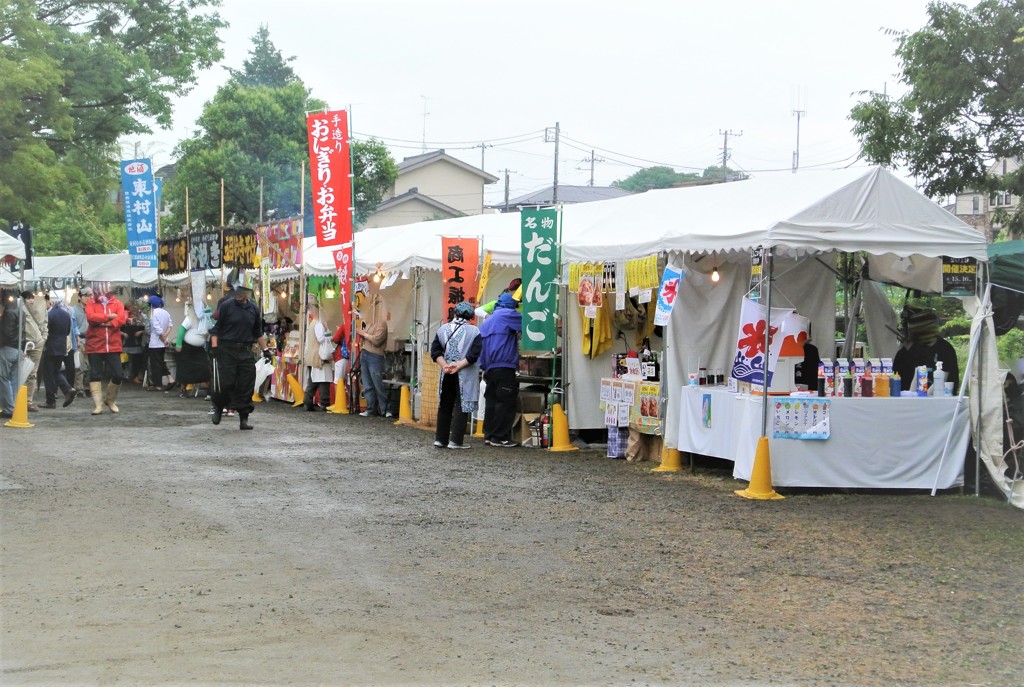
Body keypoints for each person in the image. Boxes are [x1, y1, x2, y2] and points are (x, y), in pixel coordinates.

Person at [208, 275, 269, 430]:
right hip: (226, 350)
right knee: (225, 383)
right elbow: (216, 329)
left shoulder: (253, 309)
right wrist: (214, 347)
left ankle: (244, 419)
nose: (239, 294)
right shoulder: (226, 306)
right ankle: (219, 408)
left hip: (245, 350)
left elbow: (258, 332)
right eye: (237, 290)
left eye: (243, 291)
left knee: (246, 384)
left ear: (248, 292)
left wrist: (266, 350)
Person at [431, 301, 482, 449]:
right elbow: (474, 354)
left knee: (445, 405)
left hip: (446, 373)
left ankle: (440, 439)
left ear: (454, 313)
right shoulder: (474, 331)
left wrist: (445, 365)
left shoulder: (442, 329)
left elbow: (435, 351)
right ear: (470, 316)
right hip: (464, 373)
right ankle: (456, 441)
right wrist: (459, 365)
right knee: (462, 405)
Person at [479, 292, 522, 447]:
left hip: (489, 367)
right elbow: (531, 322)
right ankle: (500, 437)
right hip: (504, 365)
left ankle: (489, 435)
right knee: (505, 402)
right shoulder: (507, 314)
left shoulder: (488, 321)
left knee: (491, 401)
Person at [893, 305, 959, 393]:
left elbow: (945, 379)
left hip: (940, 400)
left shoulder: (946, 350)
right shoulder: (909, 351)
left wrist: (925, 398)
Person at [84, 288, 127, 414]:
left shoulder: (117, 303)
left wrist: (105, 323)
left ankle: (110, 400)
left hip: (113, 345)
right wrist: (108, 317)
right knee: (95, 374)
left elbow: (121, 319)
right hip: (95, 344)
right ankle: (98, 406)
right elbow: (91, 317)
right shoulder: (91, 303)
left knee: (118, 374)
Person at [40, 293, 77, 409]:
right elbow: (67, 331)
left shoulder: (49, 314)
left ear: (51, 302)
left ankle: (51, 400)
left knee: (48, 373)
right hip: (62, 346)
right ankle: (68, 389)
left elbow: (45, 330)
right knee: (56, 371)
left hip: (50, 346)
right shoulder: (66, 314)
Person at [356, 292, 389, 417]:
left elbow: (377, 340)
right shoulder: (368, 322)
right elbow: (363, 331)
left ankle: (384, 408)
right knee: (368, 383)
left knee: (378, 383)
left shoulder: (382, 324)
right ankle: (371, 408)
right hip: (365, 353)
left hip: (375, 356)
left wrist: (364, 334)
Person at [173, 302, 212, 396]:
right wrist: (178, 344)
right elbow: (181, 329)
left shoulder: (207, 320)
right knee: (184, 369)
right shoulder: (190, 318)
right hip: (187, 348)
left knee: (205, 368)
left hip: (199, 349)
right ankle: (183, 389)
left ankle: (209, 391)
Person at [302, 302, 334, 411]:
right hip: (319, 356)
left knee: (313, 381)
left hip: (312, 355)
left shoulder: (312, 324)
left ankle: (307, 401)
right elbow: (320, 339)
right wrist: (329, 335)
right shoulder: (319, 324)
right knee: (324, 381)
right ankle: (325, 403)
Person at [20, 290, 47, 412]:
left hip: (38, 342)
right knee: (19, 372)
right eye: (28, 298)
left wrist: (44, 337)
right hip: (23, 343)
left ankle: (28, 401)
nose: (31, 300)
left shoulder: (41, 307)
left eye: (32, 298)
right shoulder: (19, 308)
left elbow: (45, 322)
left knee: (33, 373)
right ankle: (17, 399)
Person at [146, 295, 176, 391]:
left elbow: (157, 329)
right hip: (162, 343)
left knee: (155, 364)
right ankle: (170, 379)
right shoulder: (166, 313)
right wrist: (165, 338)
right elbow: (170, 326)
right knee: (160, 362)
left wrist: (163, 338)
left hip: (155, 343)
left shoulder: (153, 313)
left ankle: (158, 384)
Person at [0, 292, 20, 418]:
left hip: (7, 348)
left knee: (3, 378)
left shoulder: (8, 313)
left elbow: (6, 333)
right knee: (13, 380)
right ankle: (13, 407)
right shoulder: (19, 311)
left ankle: (8, 408)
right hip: (17, 348)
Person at [71, 290, 90, 397]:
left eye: (89, 296)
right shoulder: (74, 310)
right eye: (85, 296)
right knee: (79, 366)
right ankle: (79, 388)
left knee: (91, 366)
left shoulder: (92, 309)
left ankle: (88, 387)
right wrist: (76, 338)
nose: (87, 298)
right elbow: (73, 327)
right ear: (79, 297)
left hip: (92, 340)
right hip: (80, 340)